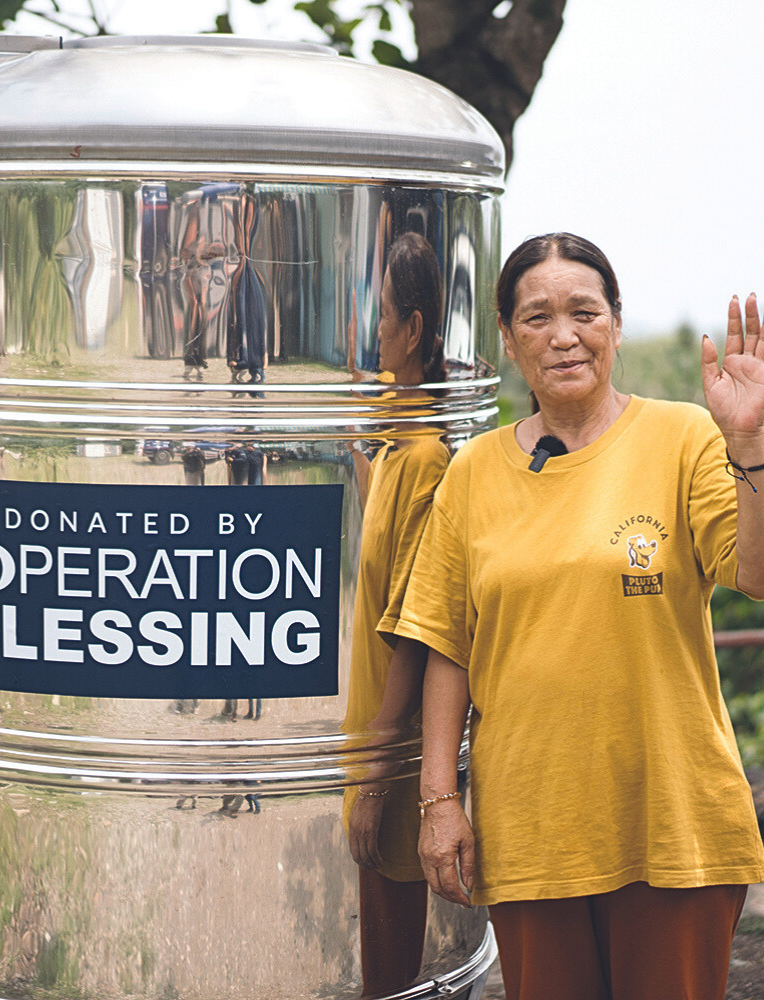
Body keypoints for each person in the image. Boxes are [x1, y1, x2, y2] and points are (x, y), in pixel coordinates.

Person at [395, 233, 764, 1000]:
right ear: (509, 340)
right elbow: (448, 644)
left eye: (585, 311)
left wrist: (746, 439)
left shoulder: (682, 436)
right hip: (532, 823)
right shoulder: (474, 472)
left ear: (615, 322)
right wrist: (439, 803)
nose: (564, 334)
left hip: (671, 817)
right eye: (537, 317)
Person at [342, 232, 451, 997]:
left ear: (412, 330)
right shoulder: (398, 449)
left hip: (395, 748)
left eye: (382, 316)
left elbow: (415, 628)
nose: (374, 330)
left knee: (390, 966)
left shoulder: (429, 460)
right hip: (370, 740)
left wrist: (378, 774)